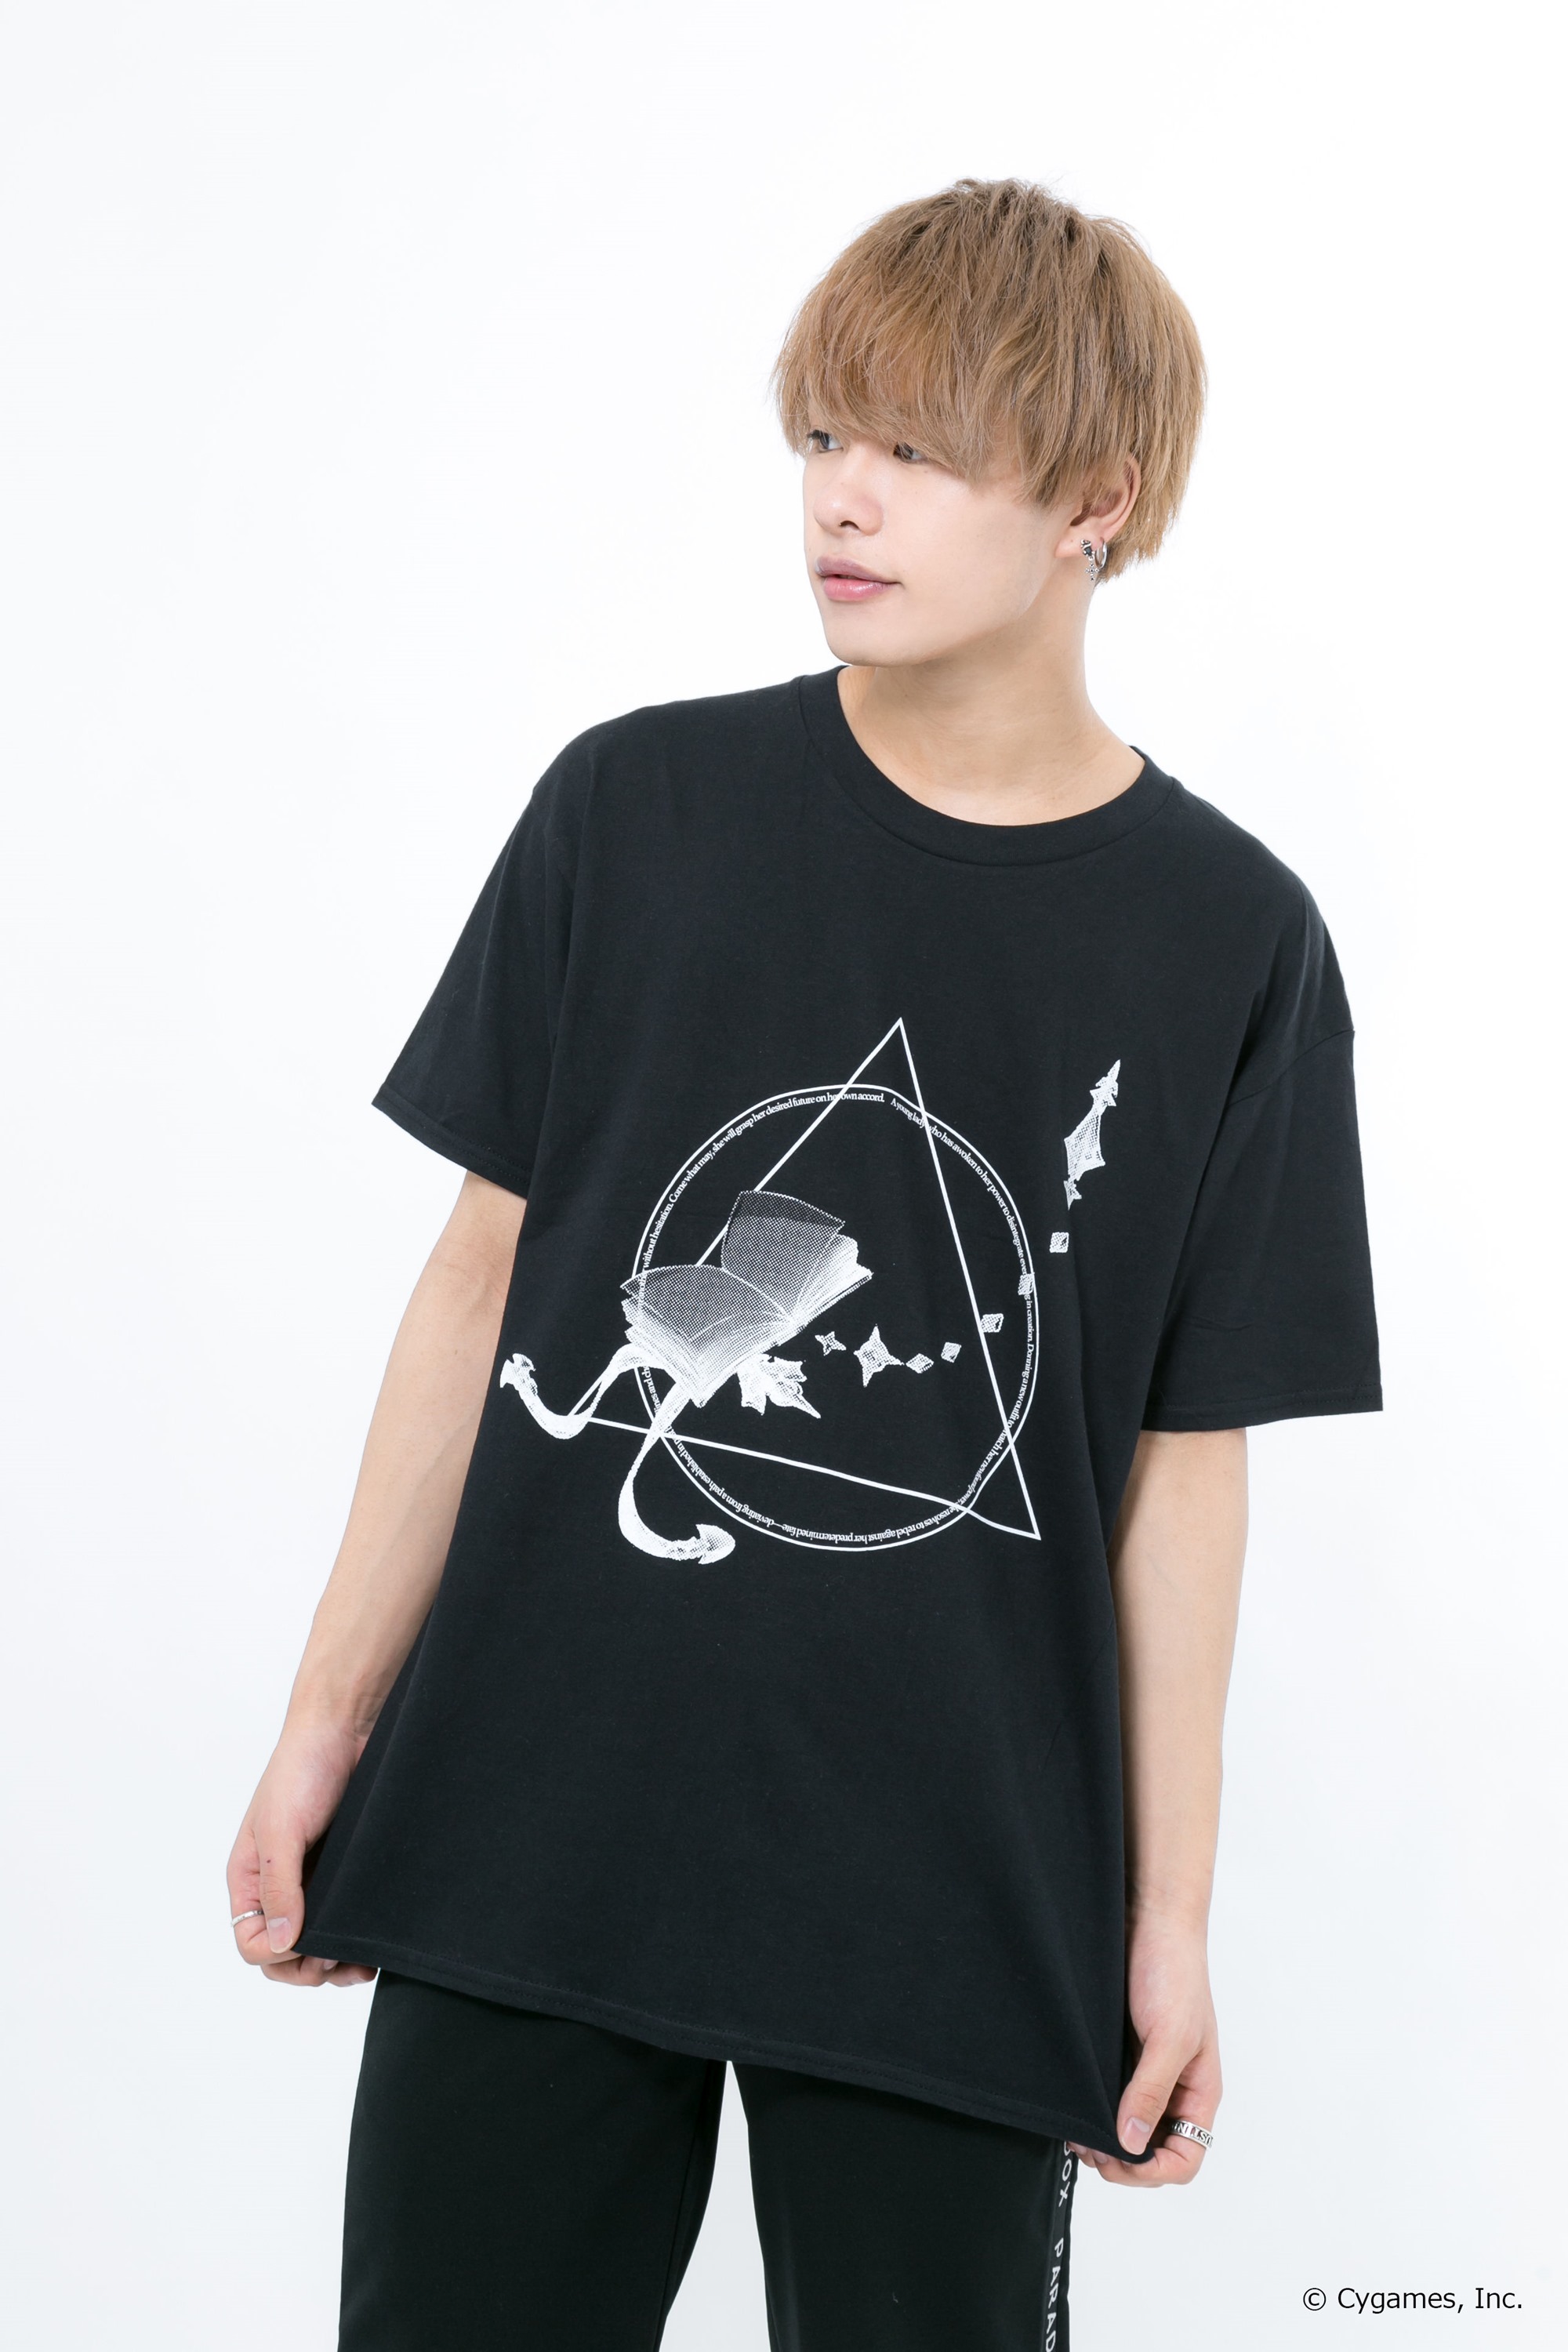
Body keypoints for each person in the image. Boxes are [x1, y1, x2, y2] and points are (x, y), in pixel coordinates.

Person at [228, 177, 1380, 2350]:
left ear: (1096, 503)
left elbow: (1185, 1462)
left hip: (953, 1892)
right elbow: (480, 1288)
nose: (843, 497)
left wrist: (1168, 1922)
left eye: (920, 449)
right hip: (533, 1820)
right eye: (827, 435)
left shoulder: (1232, 940)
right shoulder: (633, 812)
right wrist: (324, 1724)